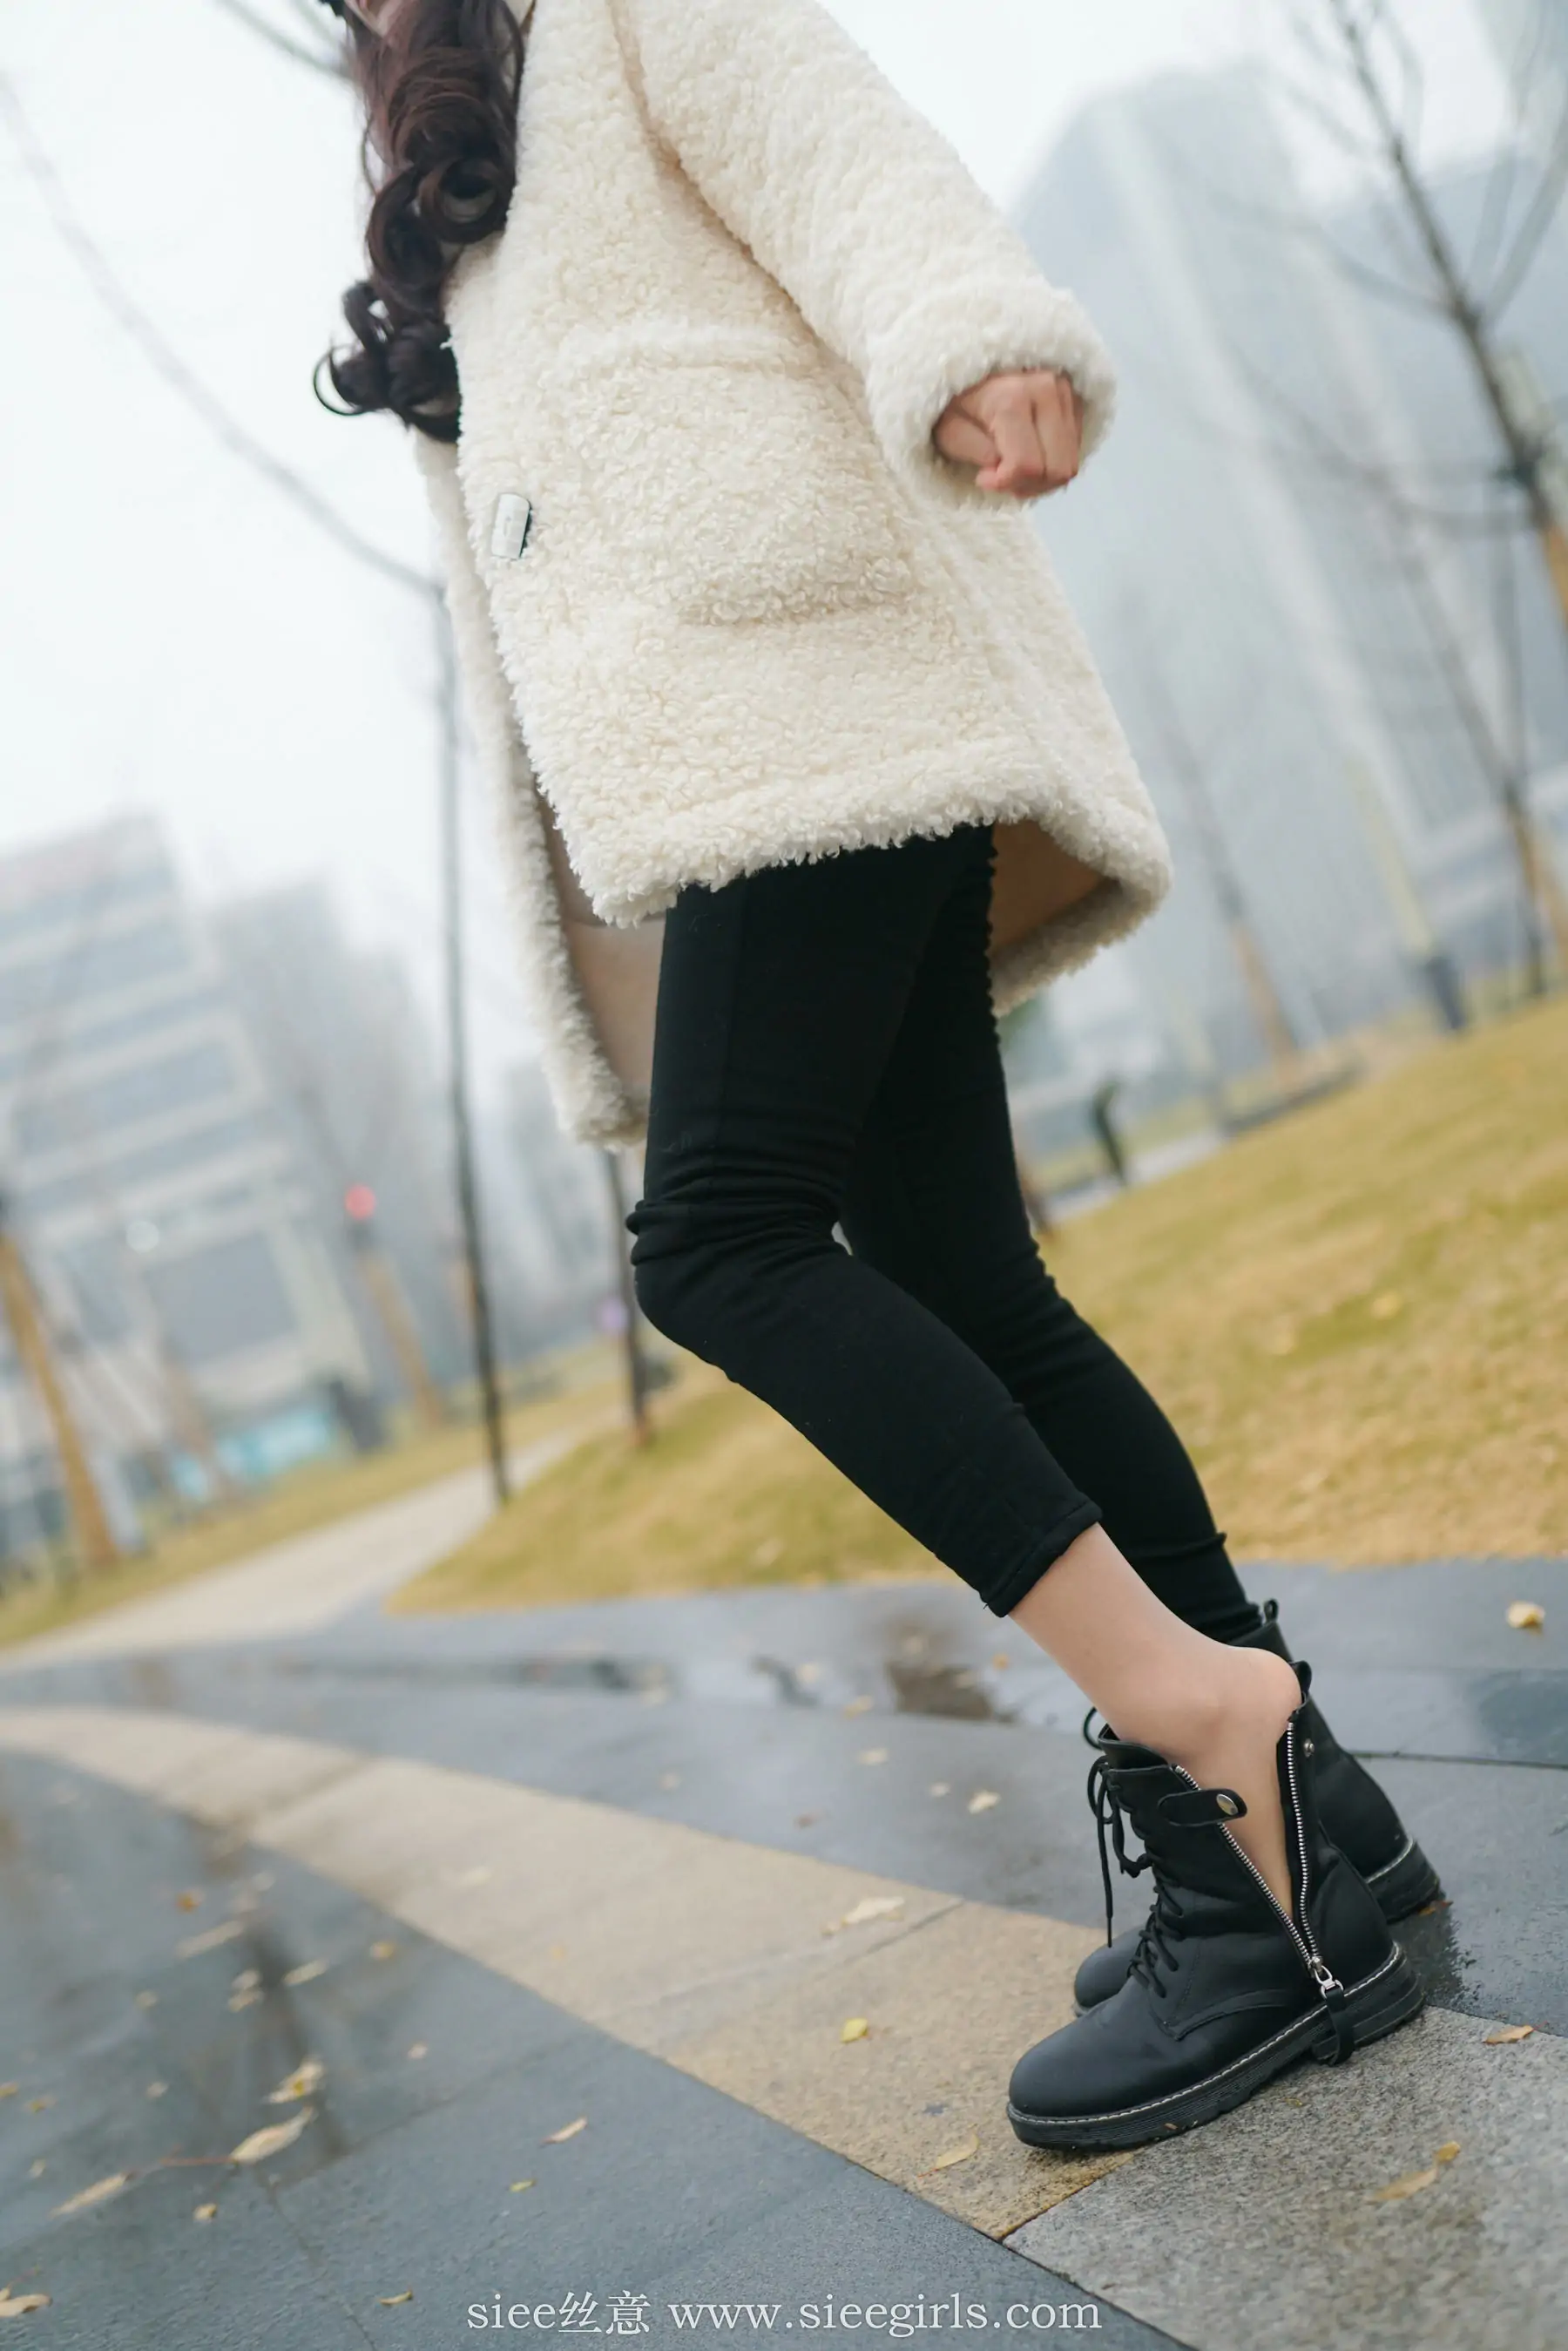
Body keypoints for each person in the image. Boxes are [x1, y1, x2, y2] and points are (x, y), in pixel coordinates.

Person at [319, 0, 1433, 2147]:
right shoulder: (471, 112)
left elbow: (834, 142)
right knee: (951, 1263)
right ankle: (1315, 1816)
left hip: (808, 684)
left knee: (720, 1240)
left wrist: (970, 333)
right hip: (774, 710)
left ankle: (1208, 1732)